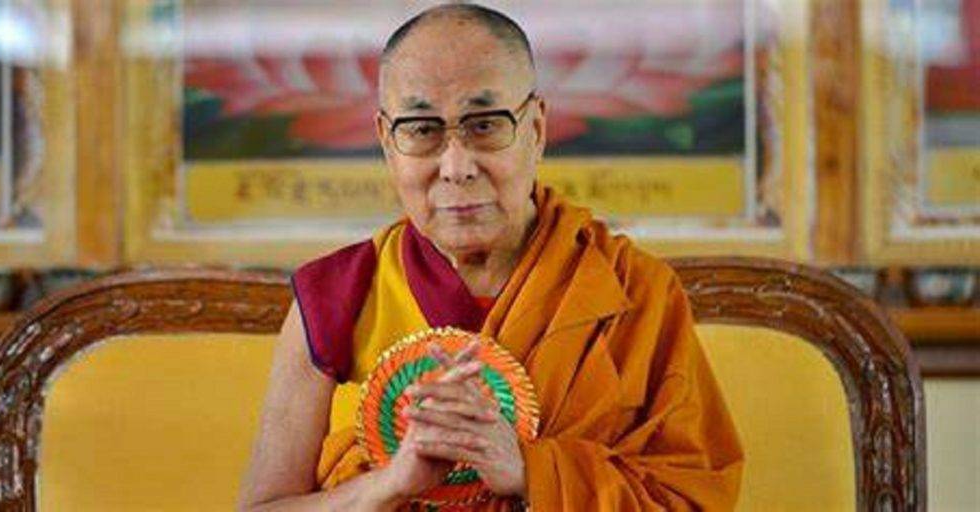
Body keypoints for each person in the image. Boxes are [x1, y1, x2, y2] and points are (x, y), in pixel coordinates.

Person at [238, 3, 743, 511]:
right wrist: (389, 484)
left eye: (484, 125)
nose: (456, 166)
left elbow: (693, 499)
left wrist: (528, 470)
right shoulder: (333, 298)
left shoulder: (633, 292)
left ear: (536, 130)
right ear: (388, 143)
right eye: (422, 129)